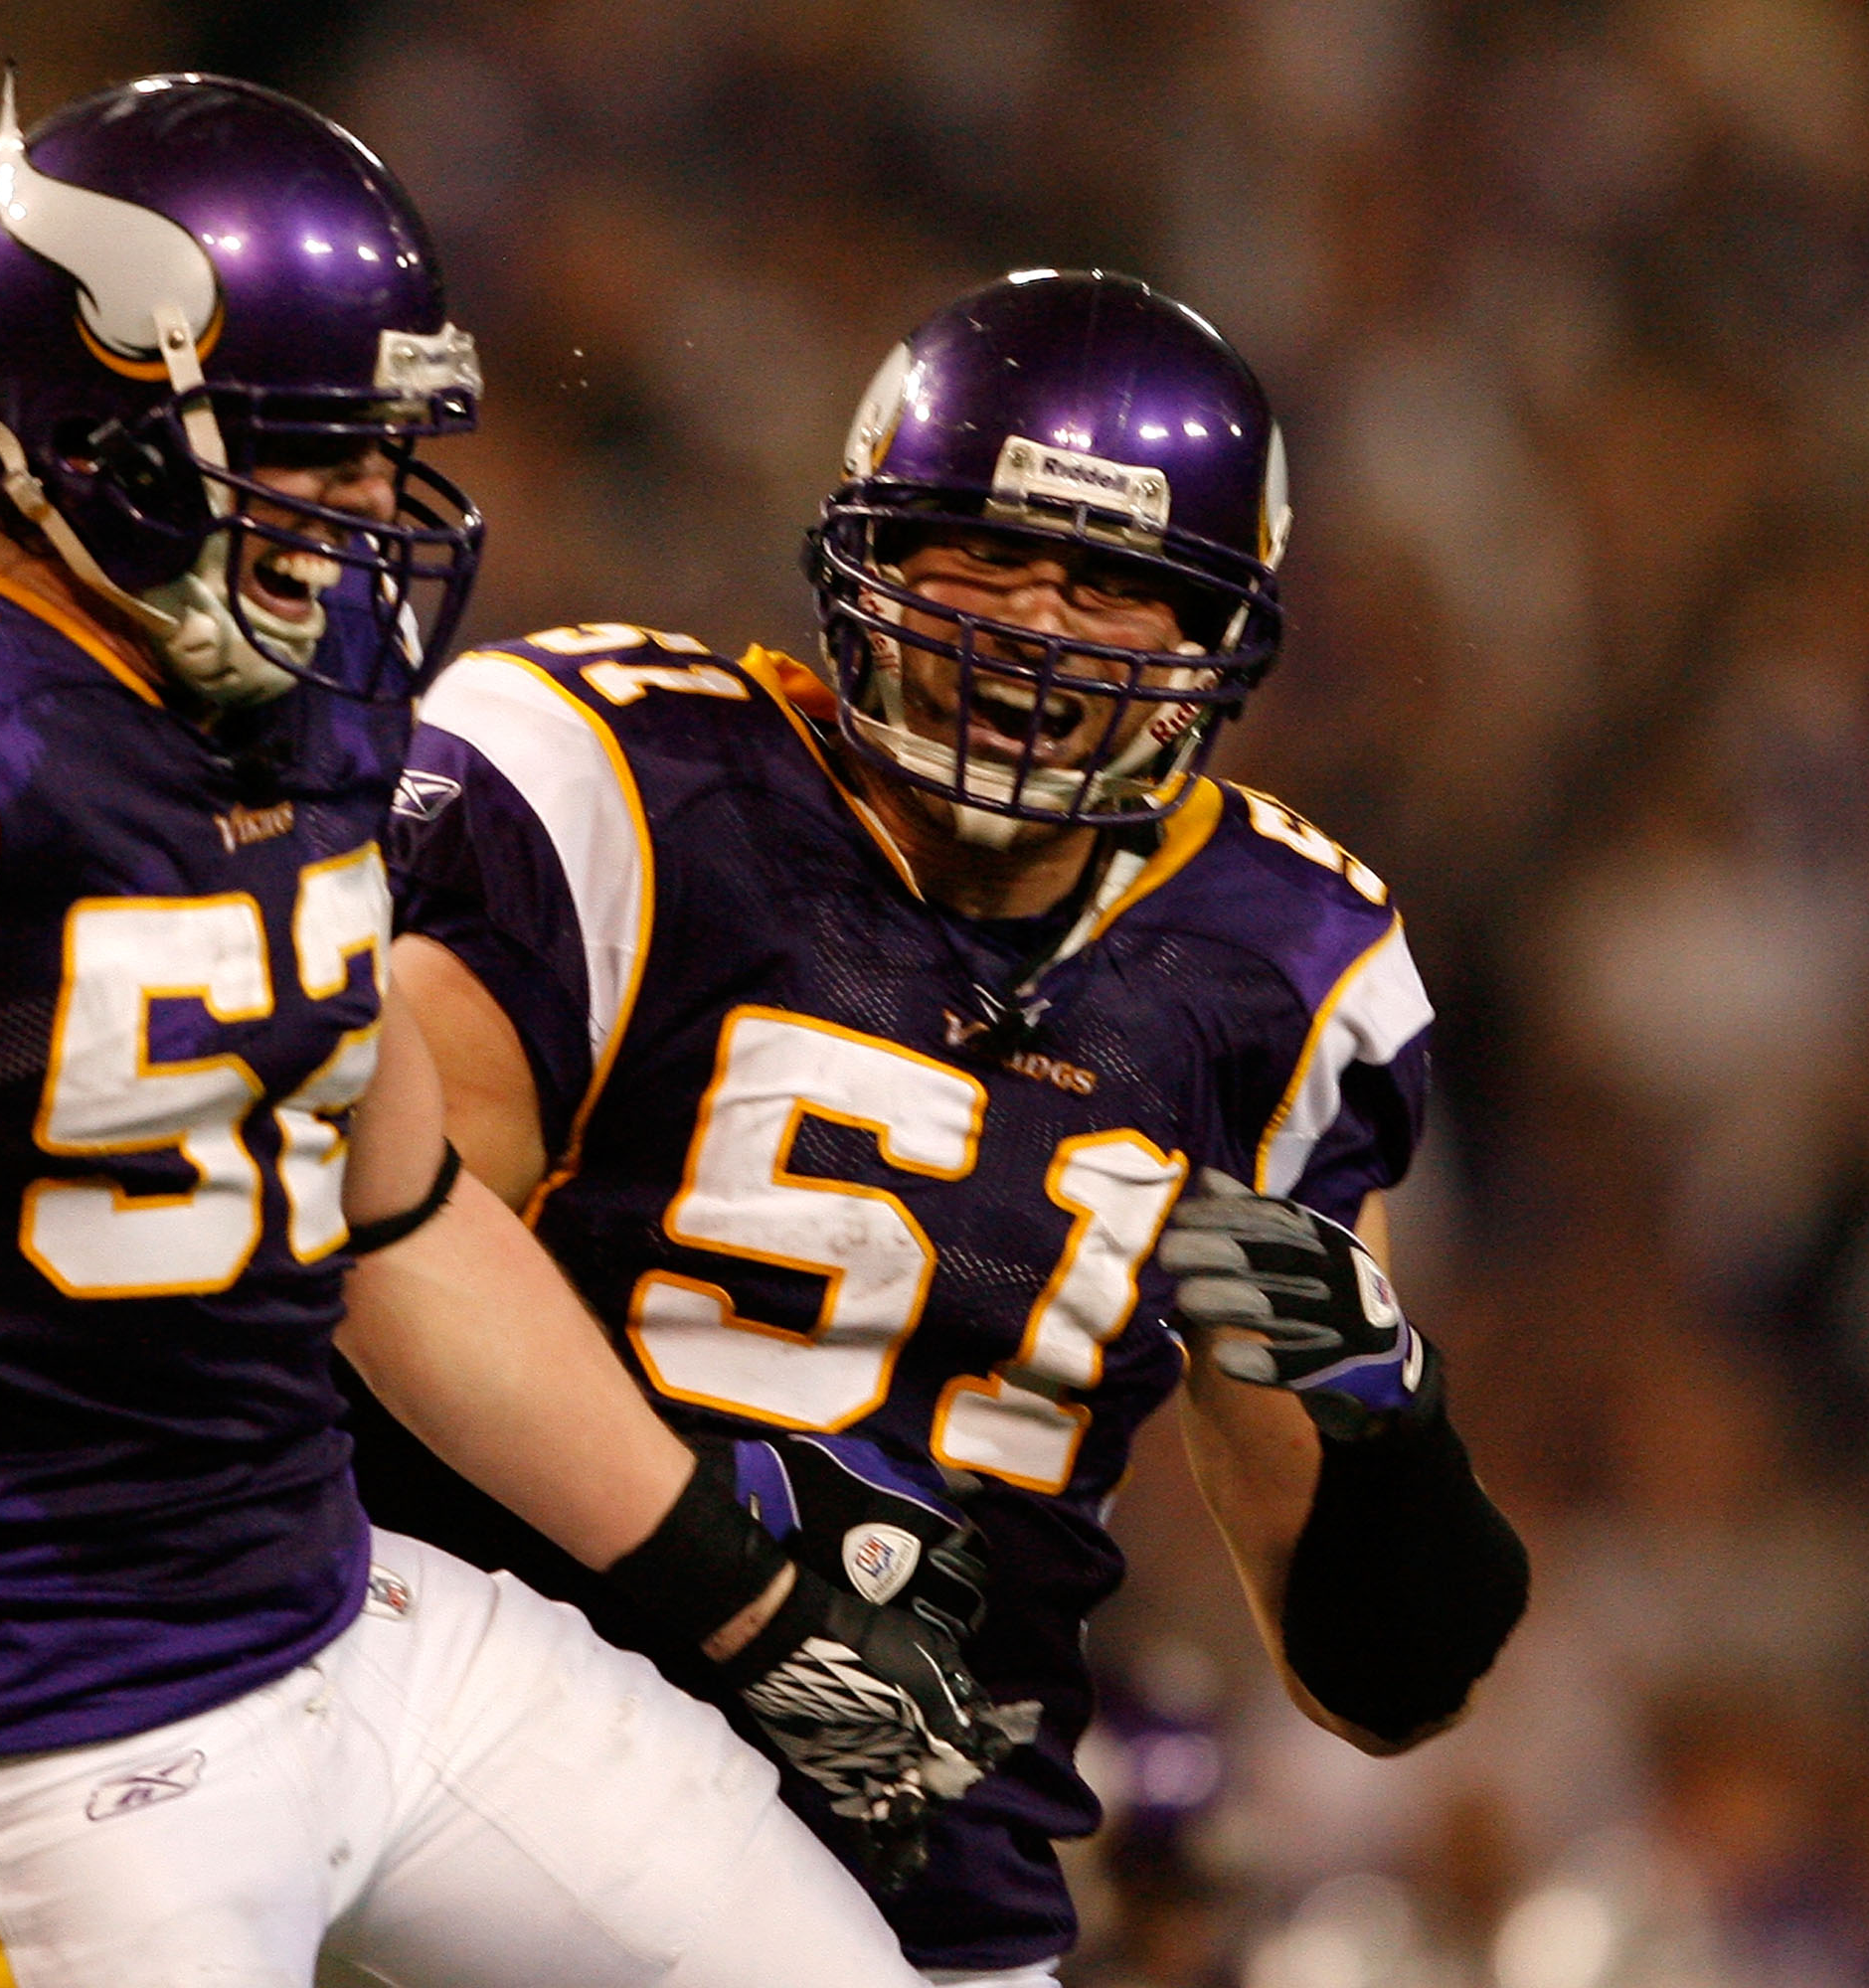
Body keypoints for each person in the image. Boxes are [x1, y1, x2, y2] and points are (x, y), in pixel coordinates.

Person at [0, 73, 999, 1988]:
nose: (360, 525)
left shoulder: (268, 720)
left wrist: (732, 1587)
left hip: (340, 1620)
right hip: (26, 1742)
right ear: (102, 430)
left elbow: (396, 1218)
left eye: (379, 460)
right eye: (311, 457)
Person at [353, 268, 1531, 1983]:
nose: (1043, 625)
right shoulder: (620, 784)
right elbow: (370, 1255)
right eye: (984, 548)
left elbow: (1378, 1683)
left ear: (1222, 638)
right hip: (482, 1721)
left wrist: (1389, 1426)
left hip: (927, 1847)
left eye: (1121, 584)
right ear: (868, 549)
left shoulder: (1279, 969)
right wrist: (726, 1562)